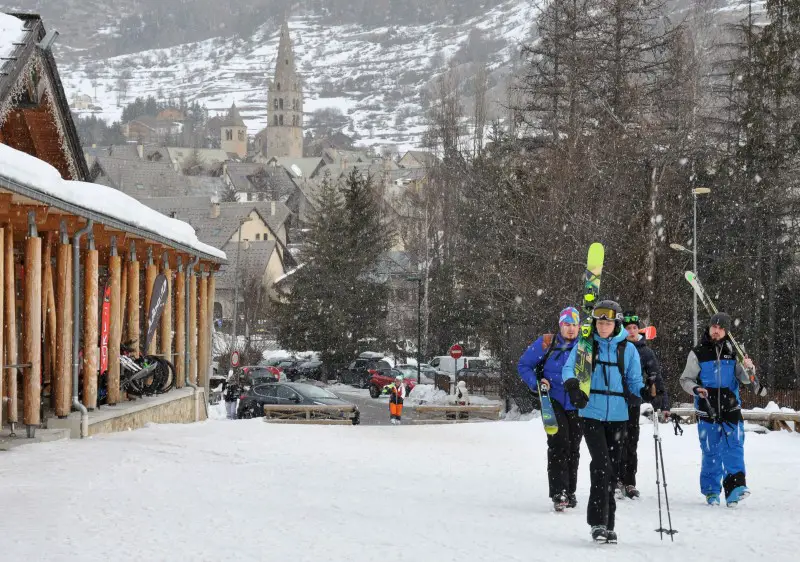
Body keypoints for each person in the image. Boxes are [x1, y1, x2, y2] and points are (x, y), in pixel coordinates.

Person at [561, 300, 645, 544]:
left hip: (619, 417)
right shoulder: (586, 346)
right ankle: (597, 522)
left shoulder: (627, 350)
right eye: (599, 322)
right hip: (591, 414)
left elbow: (635, 380)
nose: (603, 326)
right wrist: (573, 386)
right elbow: (569, 370)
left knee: (612, 469)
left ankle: (609, 525)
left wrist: (645, 393)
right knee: (601, 464)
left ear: (616, 323)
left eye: (607, 322)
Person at [680, 312, 763, 507]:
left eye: (721, 328)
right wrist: (695, 389)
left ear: (726, 331)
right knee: (711, 450)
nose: (716, 331)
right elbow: (685, 379)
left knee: (734, 446)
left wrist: (749, 368)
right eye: (714, 327)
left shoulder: (735, 351)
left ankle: (735, 489)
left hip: (731, 406)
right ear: (709, 328)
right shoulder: (698, 352)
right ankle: (711, 491)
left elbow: (745, 379)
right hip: (706, 407)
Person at [517, 306, 582, 511]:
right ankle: (559, 492)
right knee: (558, 443)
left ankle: (570, 491)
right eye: (566, 325)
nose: (570, 329)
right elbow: (523, 365)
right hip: (552, 400)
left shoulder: (586, 346)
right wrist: (536, 382)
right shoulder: (547, 343)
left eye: (574, 325)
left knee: (574, 447)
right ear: (560, 326)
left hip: (578, 401)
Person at [615, 311, 669, 500]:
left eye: (634, 328)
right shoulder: (616, 347)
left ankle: (629, 481)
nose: (631, 331)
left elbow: (656, 376)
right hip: (614, 402)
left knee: (631, 442)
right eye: (627, 328)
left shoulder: (644, 351)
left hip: (633, 401)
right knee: (616, 442)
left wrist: (662, 401)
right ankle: (615, 480)